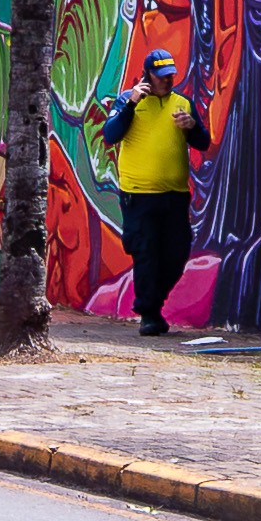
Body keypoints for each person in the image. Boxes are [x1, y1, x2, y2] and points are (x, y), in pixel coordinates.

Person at [98, 44, 210, 337]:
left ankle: (153, 304)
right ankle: (148, 313)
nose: (167, 80)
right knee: (146, 252)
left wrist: (192, 127)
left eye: (170, 75)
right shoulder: (127, 101)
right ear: (147, 75)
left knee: (176, 253)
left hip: (174, 195)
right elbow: (111, 135)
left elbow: (203, 142)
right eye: (161, 75)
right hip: (139, 195)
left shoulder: (182, 104)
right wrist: (132, 102)